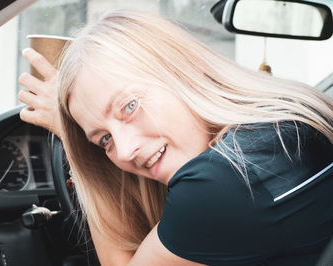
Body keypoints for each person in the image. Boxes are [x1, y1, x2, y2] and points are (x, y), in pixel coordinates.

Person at [18, 9, 333, 266]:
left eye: (129, 106)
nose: (125, 151)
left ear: (180, 72)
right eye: (103, 141)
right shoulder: (287, 120)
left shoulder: (222, 181)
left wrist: (72, 151)